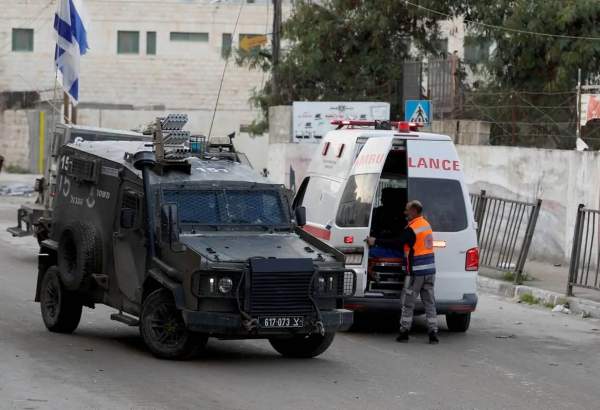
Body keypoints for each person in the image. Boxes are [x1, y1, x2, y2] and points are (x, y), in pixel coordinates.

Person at [367, 200, 439, 344]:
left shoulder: (412, 229)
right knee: (430, 303)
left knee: (408, 303)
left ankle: (404, 332)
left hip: (416, 273)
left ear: (413, 211)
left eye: (407, 210)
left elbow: (397, 242)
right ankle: (433, 333)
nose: (405, 213)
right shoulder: (426, 224)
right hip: (430, 272)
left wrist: (375, 241)